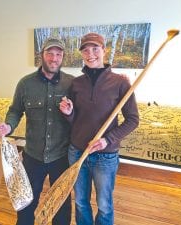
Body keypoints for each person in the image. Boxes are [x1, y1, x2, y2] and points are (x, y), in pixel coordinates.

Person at [59, 32, 139, 225]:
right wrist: (69, 113)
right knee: (80, 202)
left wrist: (107, 140)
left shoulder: (121, 83)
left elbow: (133, 119)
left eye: (95, 48)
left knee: (104, 205)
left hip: (106, 155)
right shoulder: (76, 84)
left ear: (104, 50)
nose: (90, 53)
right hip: (78, 152)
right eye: (85, 50)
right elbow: (75, 121)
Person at [0, 37, 73, 225]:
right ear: (42, 55)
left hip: (61, 157)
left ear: (63, 57)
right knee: (26, 203)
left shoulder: (72, 84)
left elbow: (80, 116)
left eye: (59, 54)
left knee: (61, 205)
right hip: (33, 157)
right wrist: (8, 125)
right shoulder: (25, 84)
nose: (54, 58)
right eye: (50, 53)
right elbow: (15, 111)